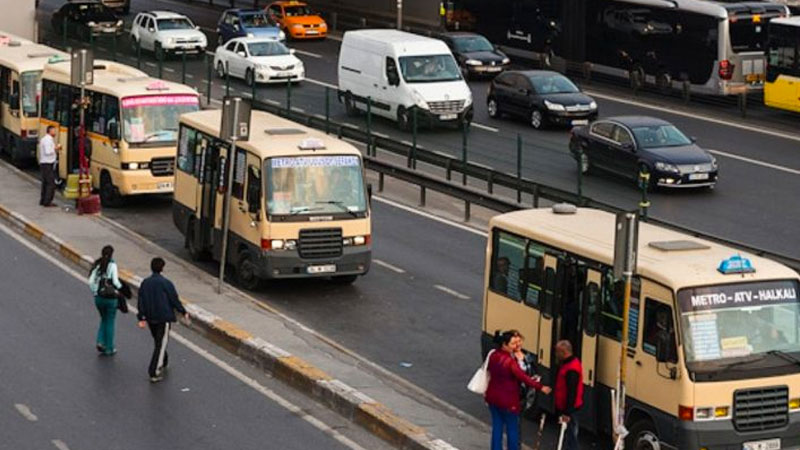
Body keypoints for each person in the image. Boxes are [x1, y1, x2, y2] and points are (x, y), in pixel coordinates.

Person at [486, 330, 551, 450]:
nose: (515, 346)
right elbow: (524, 377)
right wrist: (541, 387)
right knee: (512, 429)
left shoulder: (493, 355)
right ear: (504, 345)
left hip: (492, 396)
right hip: (508, 400)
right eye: (512, 344)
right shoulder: (510, 362)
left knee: (497, 427)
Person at [137, 257, 190, 383]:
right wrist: (183, 311)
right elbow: (174, 299)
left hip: (151, 317)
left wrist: (142, 317)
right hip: (163, 317)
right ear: (162, 268)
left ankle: (164, 359)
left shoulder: (145, 283)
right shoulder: (166, 283)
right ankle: (154, 371)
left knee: (158, 340)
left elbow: (141, 300)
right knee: (161, 343)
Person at [88, 245, 123, 356]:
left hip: (99, 298)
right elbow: (116, 282)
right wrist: (121, 291)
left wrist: (95, 292)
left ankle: (100, 341)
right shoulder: (112, 265)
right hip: (110, 299)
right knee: (110, 322)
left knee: (103, 319)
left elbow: (91, 281)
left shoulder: (97, 265)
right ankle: (109, 347)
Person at [553, 340, 583, 450]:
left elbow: (572, 392)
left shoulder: (571, 369)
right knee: (568, 437)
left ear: (564, 352)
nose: (556, 355)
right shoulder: (571, 364)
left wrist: (567, 413)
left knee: (571, 438)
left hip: (570, 410)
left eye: (557, 352)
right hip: (568, 408)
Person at [38, 125, 60, 207]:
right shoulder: (48, 140)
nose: (55, 132)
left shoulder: (44, 139)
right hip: (47, 163)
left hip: (44, 163)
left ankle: (43, 200)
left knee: (45, 183)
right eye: (53, 131)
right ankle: (47, 201)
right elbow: (48, 151)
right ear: (49, 131)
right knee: (51, 183)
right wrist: (56, 148)